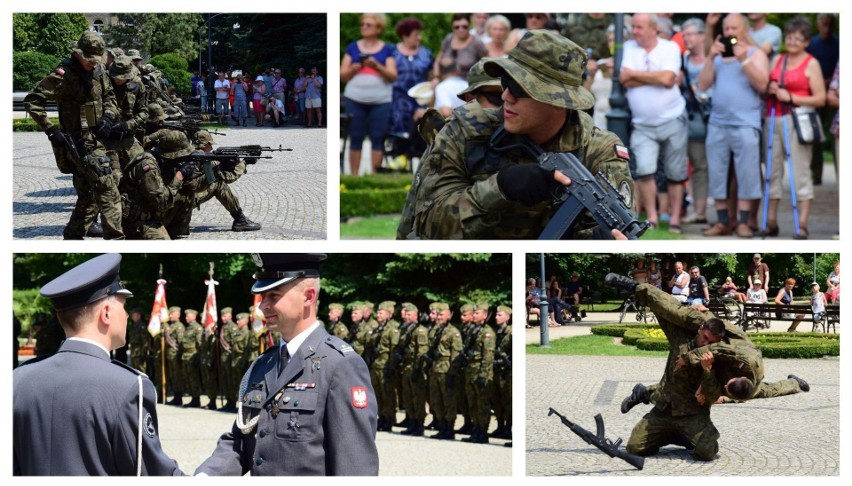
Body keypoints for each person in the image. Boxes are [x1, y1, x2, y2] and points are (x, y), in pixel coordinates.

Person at [398, 30, 633, 240]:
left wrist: (596, 243)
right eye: (505, 82)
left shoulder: (599, 150)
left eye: (520, 88)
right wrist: (499, 187)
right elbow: (428, 227)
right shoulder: (463, 131)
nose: (505, 96)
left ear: (559, 101)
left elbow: (616, 230)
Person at [195, 254, 378, 476]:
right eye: (262, 296)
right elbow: (241, 441)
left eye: (274, 295)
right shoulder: (264, 363)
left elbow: (355, 465)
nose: (263, 306)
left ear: (308, 297)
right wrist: (206, 475)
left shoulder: (340, 365)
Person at [13, 254, 182, 475]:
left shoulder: (17, 380)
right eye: (123, 306)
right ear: (106, 313)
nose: (127, 316)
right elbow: (150, 473)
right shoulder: (129, 386)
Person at [24, 31, 124, 240]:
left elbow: (110, 98)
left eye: (96, 59)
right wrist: (51, 131)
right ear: (78, 54)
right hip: (76, 142)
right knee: (108, 187)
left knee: (88, 195)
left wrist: (107, 117)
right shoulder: (64, 73)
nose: (92, 63)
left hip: (97, 138)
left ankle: (73, 235)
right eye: (89, 59)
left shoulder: (100, 70)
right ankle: (116, 239)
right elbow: (33, 100)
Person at [699, 13, 769, 238]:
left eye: (734, 28)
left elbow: (762, 84)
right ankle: (722, 221)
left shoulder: (756, 54)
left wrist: (744, 60)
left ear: (745, 30)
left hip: (746, 124)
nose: (729, 33)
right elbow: (702, 84)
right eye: (726, 28)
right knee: (717, 172)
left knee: (748, 174)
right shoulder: (717, 57)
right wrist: (710, 57)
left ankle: (744, 223)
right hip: (718, 123)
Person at [620, 13, 687, 233]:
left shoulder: (670, 48)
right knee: (645, 171)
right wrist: (655, 77)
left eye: (639, 27)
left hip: (672, 118)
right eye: (634, 27)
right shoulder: (629, 48)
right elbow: (623, 79)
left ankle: (675, 218)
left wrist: (636, 76)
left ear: (653, 29)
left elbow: (669, 80)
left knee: (675, 173)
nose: (634, 31)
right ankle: (652, 217)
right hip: (642, 124)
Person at [763, 16, 826, 239]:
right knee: (772, 171)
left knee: (800, 172)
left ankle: (802, 224)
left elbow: (820, 99)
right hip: (773, 118)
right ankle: (770, 221)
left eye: (798, 38)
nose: (792, 41)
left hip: (797, 121)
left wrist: (790, 96)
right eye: (789, 37)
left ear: (806, 41)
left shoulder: (812, 63)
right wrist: (769, 87)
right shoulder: (777, 59)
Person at [341, 13, 398, 175]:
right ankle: (354, 177)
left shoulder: (387, 50)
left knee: (377, 138)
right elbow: (341, 75)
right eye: (363, 24)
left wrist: (377, 66)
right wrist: (353, 69)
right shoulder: (352, 47)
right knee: (356, 137)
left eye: (368, 25)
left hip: (380, 100)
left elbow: (393, 76)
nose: (364, 27)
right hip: (355, 99)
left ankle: (374, 177)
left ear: (378, 28)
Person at [390, 17, 433, 152]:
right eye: (416, 35)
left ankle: (421, 157)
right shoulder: (392, 52)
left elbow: (431, 78)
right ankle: (398, 156)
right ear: (405, 36)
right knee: (398, 124)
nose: (419, 38)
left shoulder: (426, 53)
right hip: (397, 99)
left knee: (423, 126)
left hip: (420, 98)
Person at [432, 14, 487, 83]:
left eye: (464, 27)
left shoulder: (477, 43)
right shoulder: (448, 39)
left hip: (468, 83)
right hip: (446, 82)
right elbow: (438, 60)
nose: (461, 29)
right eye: (457, 27)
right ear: (452, 27)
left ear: (469, 26)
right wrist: (436, 77)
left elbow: (486, 64)